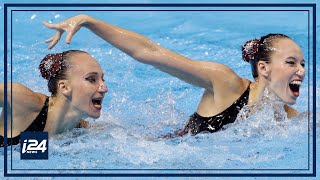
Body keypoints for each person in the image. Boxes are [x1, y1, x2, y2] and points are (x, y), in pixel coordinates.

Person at [43, 14, 305, 137]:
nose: (301, 71)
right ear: (263, 68)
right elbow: (149, 51)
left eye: (303, 63)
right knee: (39, 145)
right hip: (153, 153)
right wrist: (89, 21)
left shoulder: (278, 110)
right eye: (291, 62)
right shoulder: (225, 82)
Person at [0, 50, 108, 146]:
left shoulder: (79, 129)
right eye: (91, 79)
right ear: (64, 87)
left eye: (102, 79)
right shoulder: (23, 101)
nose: (104, 88)